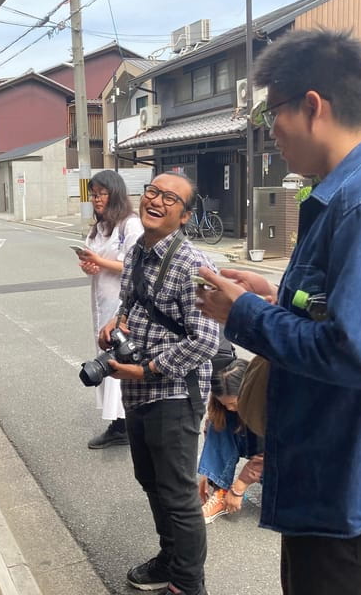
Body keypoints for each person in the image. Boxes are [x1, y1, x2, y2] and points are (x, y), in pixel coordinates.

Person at [195, 29, 361, 595]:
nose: (270, 133)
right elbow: (337, 312)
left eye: (273, 114)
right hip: (334, 473)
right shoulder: (351, 193)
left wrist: (244, 313)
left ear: (313, 106)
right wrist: (272, 296)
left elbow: (359, 352)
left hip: (351, 479)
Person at [99, 172, 220, 595]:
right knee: (151, 482)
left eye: (170, 199)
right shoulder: (136, 252)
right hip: (137, 392)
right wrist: (118, 320)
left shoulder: (194, 265)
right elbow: (132, 304)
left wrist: (148, 370)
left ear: (185, 216)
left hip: (172, 393)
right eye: (152, 192)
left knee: (178, 493)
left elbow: (206, 339)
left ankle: (188, 584)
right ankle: (170, 559)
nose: (157, 201)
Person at [77, 170, 144, 449]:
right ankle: (123, 422)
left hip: (122, 305)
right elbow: (97, 262)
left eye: (101, 193)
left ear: (115, 193)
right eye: (93, 194)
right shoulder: (100, 227)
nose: (96, 199)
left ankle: (122, 425)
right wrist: (89, 266)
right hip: (101, 301)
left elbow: (136, 265)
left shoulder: (131, 225)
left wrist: (100, 263)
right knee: (107, 357)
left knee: (118, 359)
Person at [197, 358, 264, 524]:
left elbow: (274, 453)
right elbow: (213, 437)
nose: (229, 408)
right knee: (218, 422)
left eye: (233, 403)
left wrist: (239, 487)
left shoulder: (274, 402)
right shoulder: (225, 409)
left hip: (293, 461)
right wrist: (209, 474)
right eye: (224, 404)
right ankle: (220, 493)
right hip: (254, 443)